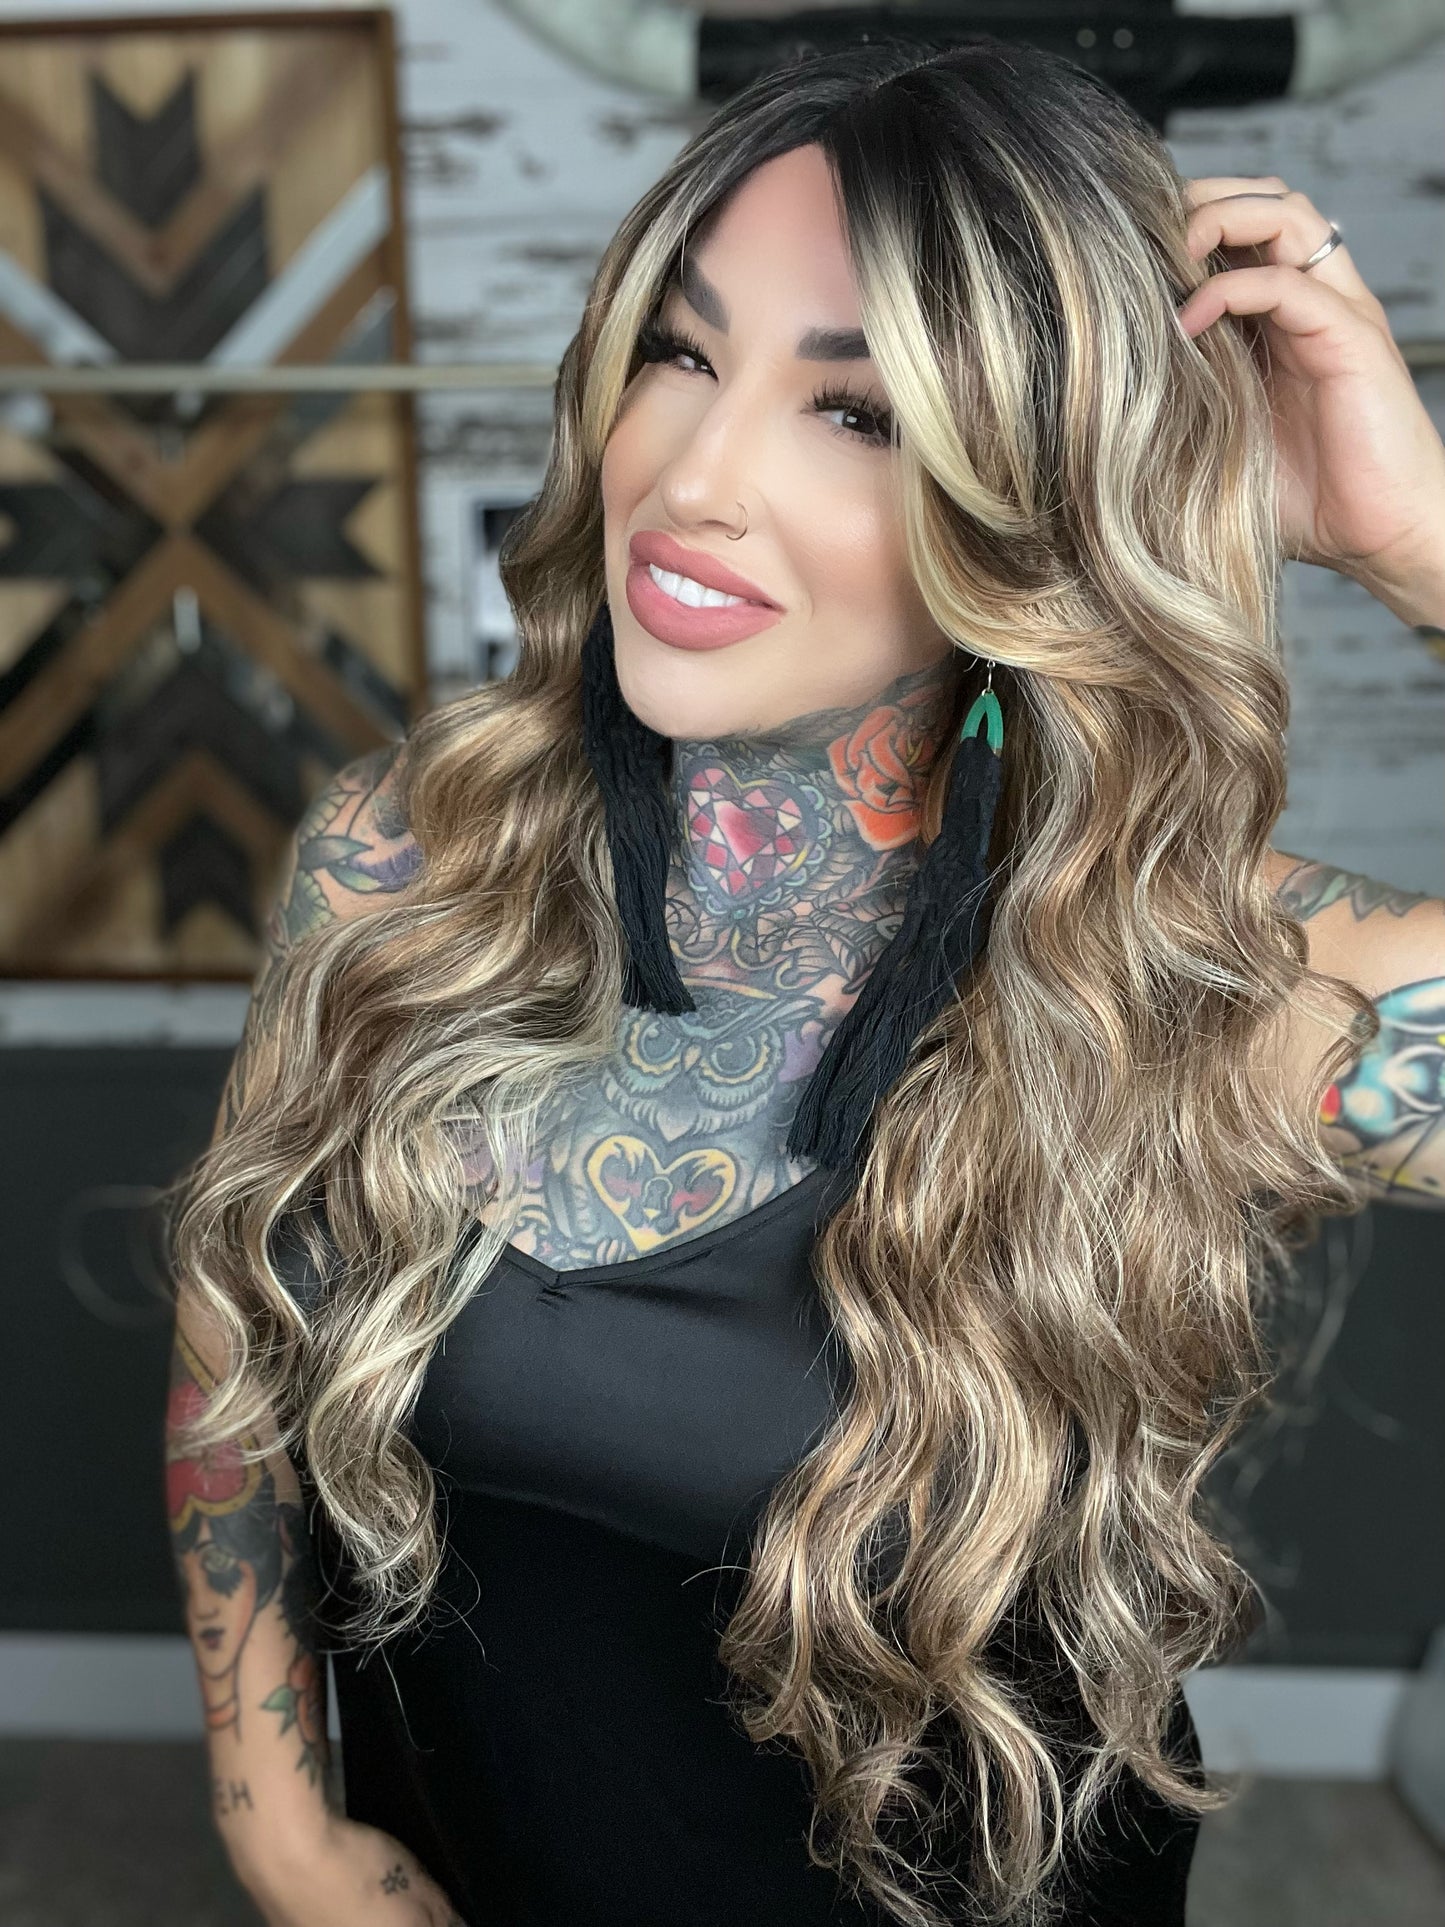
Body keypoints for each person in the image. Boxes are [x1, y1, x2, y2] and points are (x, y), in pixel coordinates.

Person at [162, 33, 1445, 1927]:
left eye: (855, 411)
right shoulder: (408, 856)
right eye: (682, 355)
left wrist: (1417, 546)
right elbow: (239, 1323)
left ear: (1035, 494)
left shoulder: (1190, 975)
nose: (694, 476)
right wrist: (276, 1821)